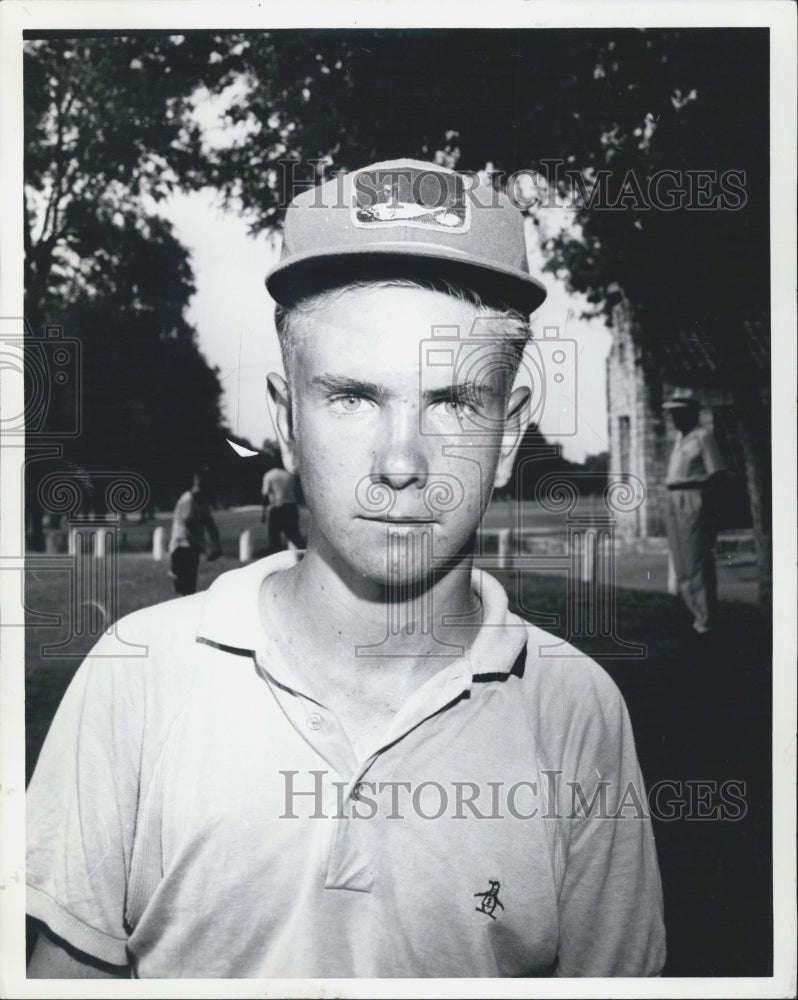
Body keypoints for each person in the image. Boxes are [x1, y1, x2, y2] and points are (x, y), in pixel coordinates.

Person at [26, 159, 665, 978]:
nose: (400, 463)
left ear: (509, 435)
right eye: (354, 397)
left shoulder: (578, 715)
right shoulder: (137, 677)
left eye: (454, 403)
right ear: (287, 421)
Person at [663, 388, 727, 635]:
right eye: (672, 414)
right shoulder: (680, 439)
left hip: (693, 498)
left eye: (679, 414)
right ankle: (694, 613)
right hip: (674, 498)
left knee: (696, 559)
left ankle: (706, 617)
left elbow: (717, 474)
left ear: (692, 414)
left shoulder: (702, 437)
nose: (674, 419)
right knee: (681, 561)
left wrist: (705, 507)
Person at [167, 468, 222, 596]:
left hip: (192, 548)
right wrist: (208, 547)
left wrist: (216, 545)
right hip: (182, 546)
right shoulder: (188, 500)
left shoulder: (202, 500)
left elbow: (210, 524)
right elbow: (189, 522)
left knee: (189, 588)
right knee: (184, 588)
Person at [260, 464, 303, 552]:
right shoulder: (289, 475)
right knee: (295, 536)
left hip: (277, 507)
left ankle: (275, 557)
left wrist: (264, 513)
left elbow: (265, 494)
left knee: (274, 537)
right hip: (291, 507)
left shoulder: (269, 475)